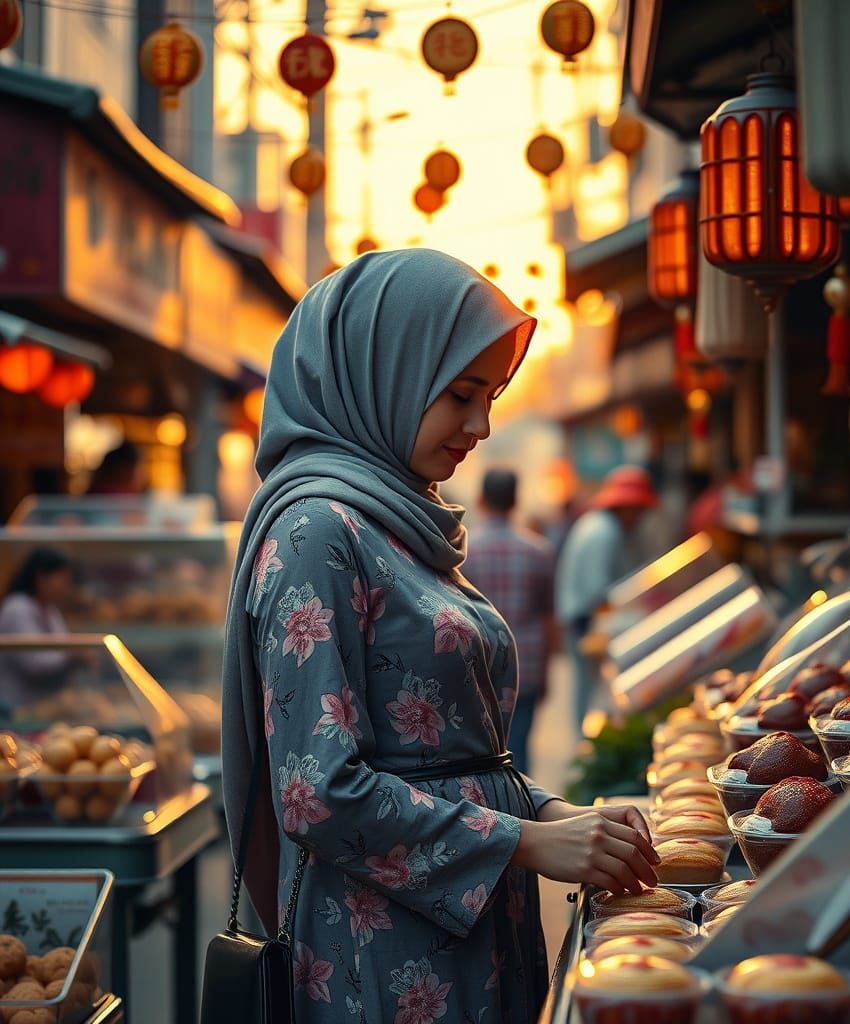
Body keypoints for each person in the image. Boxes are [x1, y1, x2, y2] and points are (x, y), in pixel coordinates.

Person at [221, 250, 659, 1024]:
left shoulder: (397, 520)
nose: (481, 426)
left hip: (467, 938)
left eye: (489, 397)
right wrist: (521, 843)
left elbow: (452, 754)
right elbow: (317, 793)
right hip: (388, 959)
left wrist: (551, 814)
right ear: (381, 372)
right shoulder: (316, 532)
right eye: (461, 395)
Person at [461, 469, 555, 776]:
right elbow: (548, 617)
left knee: (481, 754)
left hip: (478, 667)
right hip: (526, 665)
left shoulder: (462, 552)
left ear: (481, 499)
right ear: (515, 501)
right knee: (520, 749)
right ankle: (525, 802)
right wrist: (546, 672)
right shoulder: (538, 551)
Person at [554, 466, 660, 729]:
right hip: (585, 620)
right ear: (626, 507)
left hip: (582, 617)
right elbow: (598, 591)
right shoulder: (605, 532)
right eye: (638, 510)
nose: (640, 518)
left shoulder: (598, 525)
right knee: (590, 693)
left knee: (587, 690)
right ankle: (585, 740)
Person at [0, 548, 77, 710]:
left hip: (38, 705)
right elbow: (33, 663)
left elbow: (62, 646)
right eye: (62, 578)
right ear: (42, 577)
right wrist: (73, 655)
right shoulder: (17, 608)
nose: (66, 586)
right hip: (14, 708)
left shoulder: (50, 610)